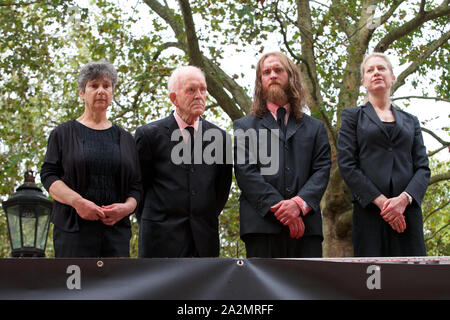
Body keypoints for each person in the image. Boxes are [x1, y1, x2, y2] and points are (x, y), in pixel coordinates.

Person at [233, 52, 331, 258]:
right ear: (260, 81)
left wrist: (298, 205)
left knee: (307, 290)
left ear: (291, 76)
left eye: (278, 70)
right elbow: (245, 172)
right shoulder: (243, 126)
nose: (272, 75)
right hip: (261, 228)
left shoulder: (315, 128)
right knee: (260, 291)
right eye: (266, 72)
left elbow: (321, 171)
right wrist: (283, 211)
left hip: (306, 228)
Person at [40, 61, 142, 258]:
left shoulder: (126, 139)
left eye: (106, 85)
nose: (101, 91)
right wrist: (78, 202)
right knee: (76, 289)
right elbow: (49, 176)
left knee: (116, 290)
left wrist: (126, 208)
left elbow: (136, 186)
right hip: (73, 234)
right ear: (82, 92)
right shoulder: (62, 134)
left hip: (116, 237)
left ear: (113, 92)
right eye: (94, 86)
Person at [337, 52, 430, 257]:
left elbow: (423, 168)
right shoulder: (352, 117)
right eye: (370, 70)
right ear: (363, 81)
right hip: (370, 214)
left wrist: (403, 200)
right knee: (373, 283)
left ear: (392, 77)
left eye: (381, 68)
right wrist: (383, 203)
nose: (376, 72)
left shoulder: (411, 121)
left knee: (411, 280)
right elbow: (347, 165)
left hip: (408, 216)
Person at [135, 65, 232, 258]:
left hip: (204, 244)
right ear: (174, 98)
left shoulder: (220, 138)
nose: (199, 95)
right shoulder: (148, 135)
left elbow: (221, 190)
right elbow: (139, 189)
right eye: (191, 90)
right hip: (159, 243)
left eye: (203, 89)